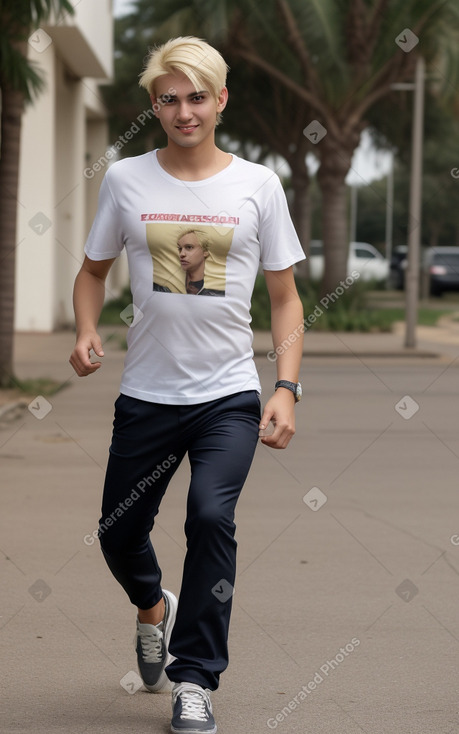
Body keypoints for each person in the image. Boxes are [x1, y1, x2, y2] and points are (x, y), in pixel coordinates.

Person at [69, 36, 304, 734]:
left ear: (220, 99)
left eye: (196, 96)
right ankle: (152, 606)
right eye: (168, 99)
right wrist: (86, 330)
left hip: (227, 397)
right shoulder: (127, 180)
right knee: (118, 533)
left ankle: (194, 679)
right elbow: (92, 273)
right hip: (146, 393)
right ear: (155, 106)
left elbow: (287, 299)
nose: (183, 110)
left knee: (210, 517)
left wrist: (286, 386)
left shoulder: (257, 185)